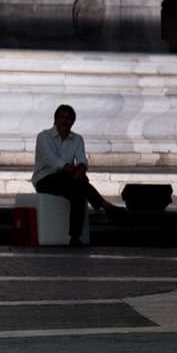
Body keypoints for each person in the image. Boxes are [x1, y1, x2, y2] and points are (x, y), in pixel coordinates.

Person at [33, 103, 113, 247]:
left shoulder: (77, 139)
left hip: (69, 181)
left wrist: (81, 170)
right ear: (55, 119)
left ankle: (75, 237)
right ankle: (102, 203)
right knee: (77, 183)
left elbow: (82, 159)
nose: (65, 121)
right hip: (45, 180)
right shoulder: (44, 137)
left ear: (73, 122)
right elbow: (54, 162)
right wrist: (77, 172)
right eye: (62, 117)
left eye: (68, 118)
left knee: (78, 192)